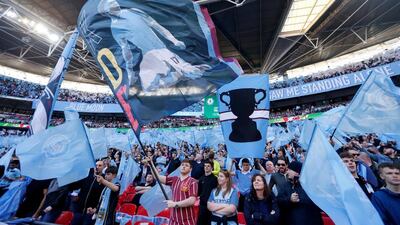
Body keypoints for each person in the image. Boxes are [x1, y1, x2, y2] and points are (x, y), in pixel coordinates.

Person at [152, 158, 198, 225]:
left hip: (187, 221)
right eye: (182, 165)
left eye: (186, 165)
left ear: (190, 169)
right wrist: (151, 164)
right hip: (173, 220)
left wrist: (175, 204)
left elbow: (192, 200)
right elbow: (157, 177)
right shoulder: (174, 179)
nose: (184, 166)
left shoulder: (193, 182)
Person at [197, 160, 218, 225]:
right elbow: (199, 192)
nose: (206, 167)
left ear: (212, 168)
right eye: (205, 166)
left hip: (212, 205)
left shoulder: (215, 179)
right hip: (202, 205)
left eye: (208, 166)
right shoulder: (201, 179)